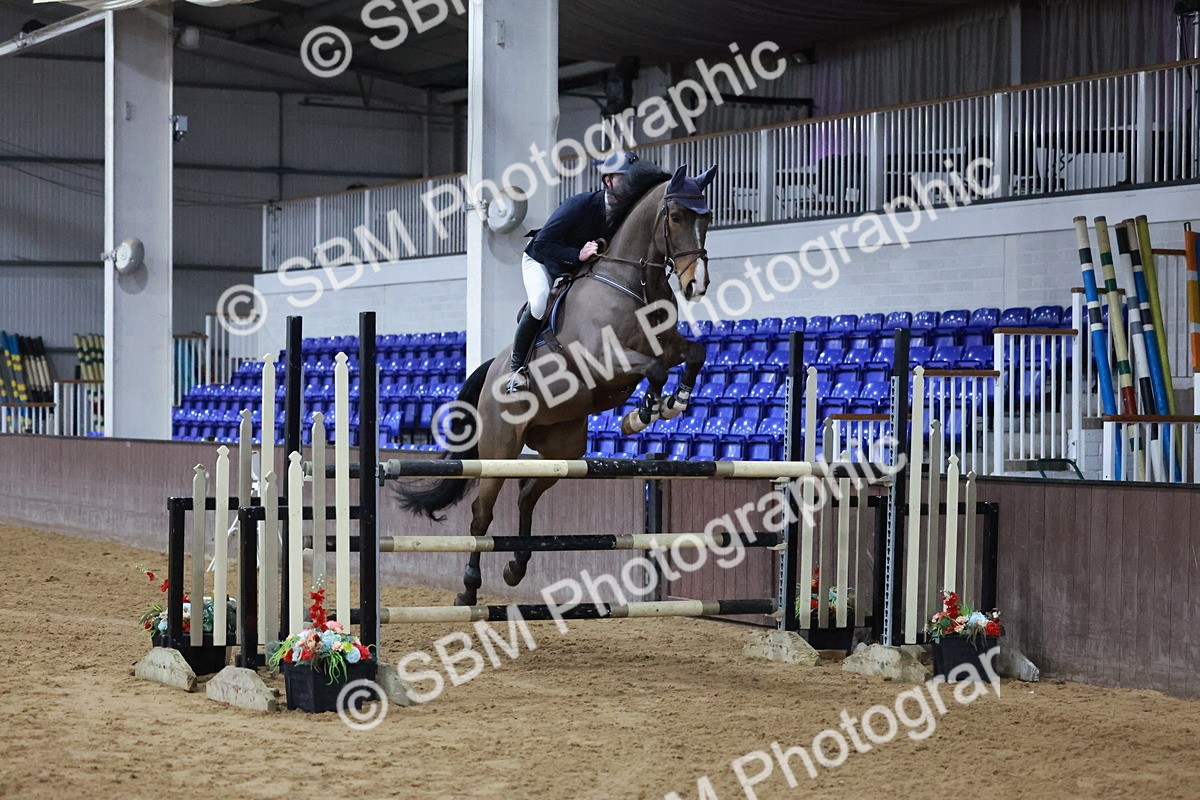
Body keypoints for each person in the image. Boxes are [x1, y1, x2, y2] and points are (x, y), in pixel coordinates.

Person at [506, 150, 639, 391]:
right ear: (608, 180)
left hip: (575, 266)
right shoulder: (580, 204)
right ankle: (516, 370)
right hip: (541, 259)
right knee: (538, 302)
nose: (632, 184)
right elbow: (543, 242)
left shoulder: (624, 217)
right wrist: (577, 254)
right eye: (625, 179)